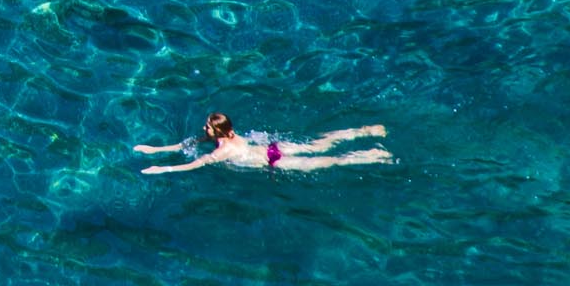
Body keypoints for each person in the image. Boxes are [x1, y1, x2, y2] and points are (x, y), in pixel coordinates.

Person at [135, 113, 392, 175]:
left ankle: (372, 155)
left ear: (218, 132)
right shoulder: (230, 136)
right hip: (273, 148)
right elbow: (188, 144)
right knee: (318, 145)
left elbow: (195, 164)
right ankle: (364, 131)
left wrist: (163, 169)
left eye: (208, 127)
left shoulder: (222, 150)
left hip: (275, 160)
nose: (204, 129)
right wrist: (155, 149)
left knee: (330, 161)